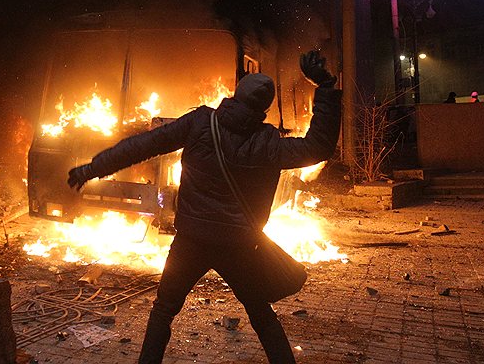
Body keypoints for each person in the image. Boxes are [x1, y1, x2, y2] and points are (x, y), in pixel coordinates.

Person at [66, 50, 342, 364]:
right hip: (239, 247)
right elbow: (319, 146)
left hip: (191, 242)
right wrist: (325, 87)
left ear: (235, 95)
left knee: (163, 311)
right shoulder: (269, 143)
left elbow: (143, 145)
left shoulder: (200, 122)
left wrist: (92, 168)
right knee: (262, 316)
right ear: (265, 108)